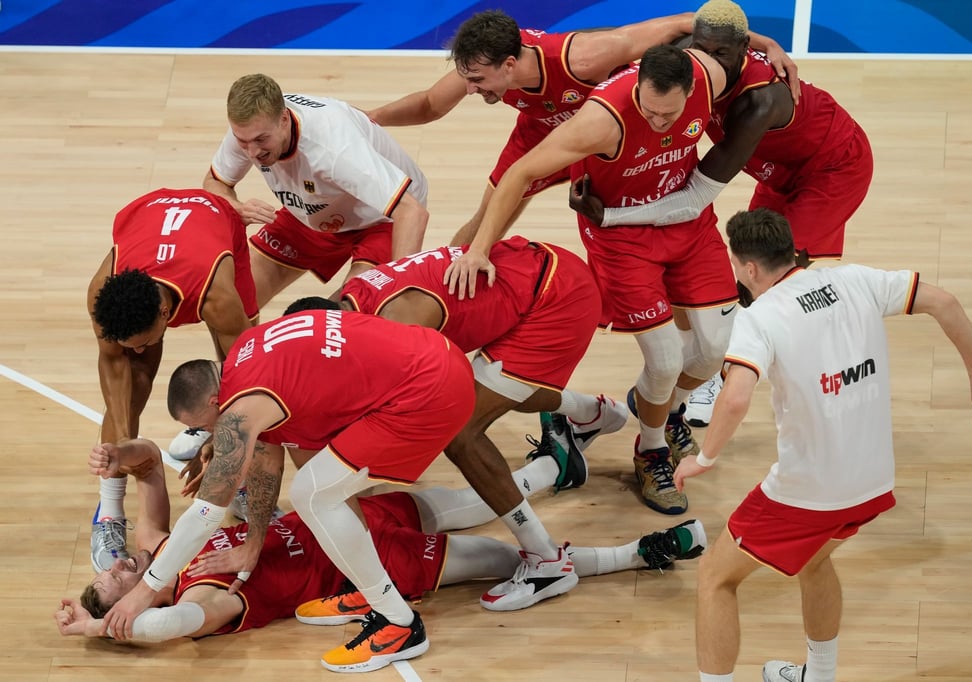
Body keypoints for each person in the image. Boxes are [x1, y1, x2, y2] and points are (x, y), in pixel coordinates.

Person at [671, 208, 972, 682]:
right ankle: (819, 675)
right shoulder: (855, 280)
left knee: (715, 578)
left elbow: (736, 397)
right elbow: (944, 301)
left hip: (807, 493)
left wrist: (704, 458)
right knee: (815, 559)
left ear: (749, 267)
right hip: (872, 483)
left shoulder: (759, 317)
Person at [444, 44, 735, 517]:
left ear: (691, 90)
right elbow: (519, 173)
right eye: (650, 111)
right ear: (638, 88)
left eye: (669, 114)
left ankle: (664, 410)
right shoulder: (602, 120)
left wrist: (768, 46)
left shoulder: (711, 77)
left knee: (714, 351)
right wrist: (478, 248)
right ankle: (651, 450)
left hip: (688, 222)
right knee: (664, 361)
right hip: (621, 237)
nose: (659, 122)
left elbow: (721, 39)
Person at [101, 308, 476, 673]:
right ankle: (371, 591)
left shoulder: (239, 413)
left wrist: (144, 591)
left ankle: (400, 624)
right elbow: (267, 464)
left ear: (216, 403)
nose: (210, 434)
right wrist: (252, 545)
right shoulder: (245, 353)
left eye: (204, 426)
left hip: (428, 392)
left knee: (313, 495)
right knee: (321, 486)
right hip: (438, 355)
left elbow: (206, 514)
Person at [56, 435, 705, 644]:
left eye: (116, 568)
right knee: (511, 559)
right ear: (133, 602)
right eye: (120, 580)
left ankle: (553, 468)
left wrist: (118, 455)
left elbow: (149, 467)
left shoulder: (163, 551)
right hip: (368, 560)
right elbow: (165, 627)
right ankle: (640, 553)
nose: (123, 565)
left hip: (344, 513)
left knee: (468, 500)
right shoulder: (204, 598)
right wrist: (103, 629)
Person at [575, 0, 874, 429]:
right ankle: (699, 364)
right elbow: (616, 41)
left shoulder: (759, 101)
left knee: (768, 276)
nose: (710, 60)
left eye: (722, 53)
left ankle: (717, 377)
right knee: (744, 267)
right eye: (704, 49)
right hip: (775, 167)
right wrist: (768, 40)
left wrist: (610, 216)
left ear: (740, 51)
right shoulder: (685, 61)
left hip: (832, 167)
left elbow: (695, 198)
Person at [307, 236, 628, 611]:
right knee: (502, 390)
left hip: (555, 299)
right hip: (535, 272)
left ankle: (547, 561)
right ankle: (590, 414)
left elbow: (421, 410)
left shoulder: (397, 324)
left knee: (461, 433)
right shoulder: (348, 299)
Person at [366, 9, 795, 243]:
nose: (471, 88)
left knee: (650, 226)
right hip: (542, 132)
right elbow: (429, 105)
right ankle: (446, 284)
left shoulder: (586, 57)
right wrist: (371, 119)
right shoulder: (480, 69)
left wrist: (765, 44)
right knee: (487, 220)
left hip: (614, 133)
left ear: (509, 64)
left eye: (478, 81)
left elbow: (685, 23)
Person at [86, 187, 259, 571]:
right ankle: (109, 513)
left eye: (142, 341)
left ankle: (241, 483)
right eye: (128, 343)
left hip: (217, 224)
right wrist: (123, 444)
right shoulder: (104, 295)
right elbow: (113, 367)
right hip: (146, 213)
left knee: (237, 369)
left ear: (165, 313)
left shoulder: (216, 296)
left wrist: (220, 444)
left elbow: (249, 382)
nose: (135, 349)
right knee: (132, 387)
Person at [203, 73, 430, 308]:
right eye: (243, 142)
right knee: (232, 303)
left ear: (284, 119)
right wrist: (236, 207)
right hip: (316, 208)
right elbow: (215, 181)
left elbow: (411, 212)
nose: (252, 152)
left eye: (261, 140)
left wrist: (397, 292)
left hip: (382, 216)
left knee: (354, 312)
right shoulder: (250, 128)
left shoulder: (335, 150)